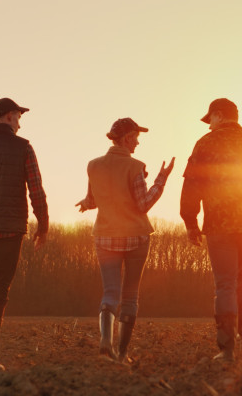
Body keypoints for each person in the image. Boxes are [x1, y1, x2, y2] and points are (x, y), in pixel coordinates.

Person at [180, 98, 242, 361]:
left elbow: (192, 184)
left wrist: (190, 221)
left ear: (218, 115)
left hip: (220, 223)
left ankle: (227, 349)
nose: (209, 125)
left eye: (210, 120)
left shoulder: (206, 144)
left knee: (225, 283)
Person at [76, 117, 174, 363]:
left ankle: (105, 340)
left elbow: (93, 199)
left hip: (105, 236)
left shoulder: (93, 165)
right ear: (128, 138)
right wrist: (161, 180)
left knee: (110, 293)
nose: (138, 143)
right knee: (130, 295)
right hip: (135, 237)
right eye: (136, 137)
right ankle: (122, 353)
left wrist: (85, 205)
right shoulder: (135, 167)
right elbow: (143, 204)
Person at [0, 97, 49, 371]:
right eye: (17, 116)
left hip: (8, 226)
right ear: (7, 117)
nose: (19, 121)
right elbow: (36, 189)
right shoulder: (23, 147)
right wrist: (44, 223)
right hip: (9, 229)